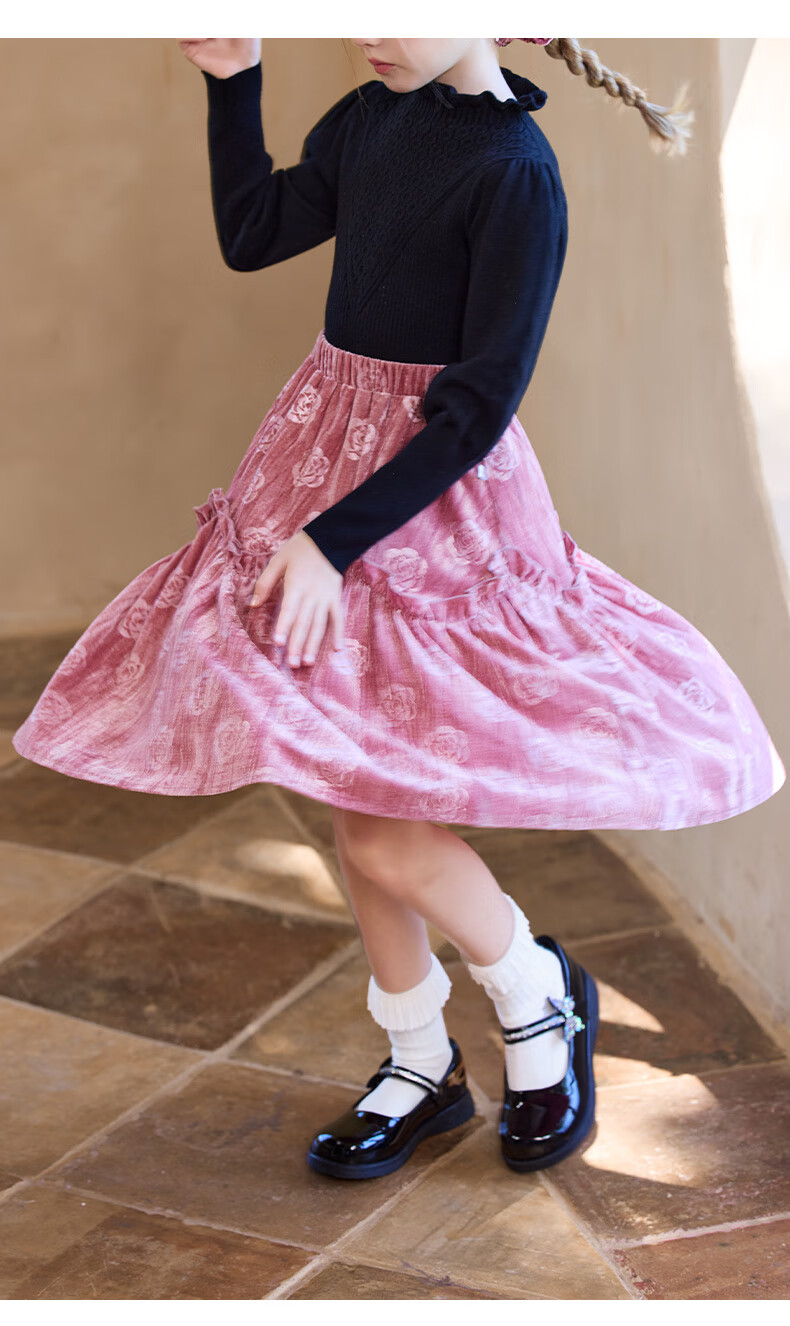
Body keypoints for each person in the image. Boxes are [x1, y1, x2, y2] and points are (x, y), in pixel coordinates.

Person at [12, 37, 785, 1182]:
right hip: (314, 467)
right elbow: (253, 233)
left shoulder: (516, 174)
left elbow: (477, 408)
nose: (370, 25)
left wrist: (332, 544)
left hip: (430, 504)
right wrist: (232, 82)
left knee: (378, 821)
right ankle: (421, 1061)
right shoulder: (369, 117)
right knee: (349, 785)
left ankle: (535, 997)